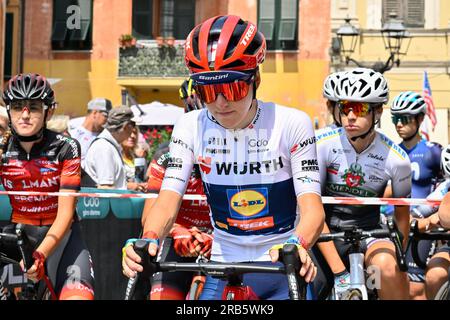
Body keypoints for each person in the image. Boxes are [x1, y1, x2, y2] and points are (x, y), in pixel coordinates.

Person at [122, 15, 325, 300]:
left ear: (256, 79)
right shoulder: (190, 125)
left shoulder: (291, 123)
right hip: (223, 262)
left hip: (281, 263)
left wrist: (297, 243)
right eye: (206, 90)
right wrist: (149, 239)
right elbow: (167, 202)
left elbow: (313, 211)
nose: (220, 102)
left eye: (232, 88)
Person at [313, 68, 411, 300]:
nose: (350, 116)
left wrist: (399, 258)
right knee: (306, 282)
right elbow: (312, 210)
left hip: (368, 234)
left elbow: (402, 216)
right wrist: (341, 273)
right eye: (344, 107)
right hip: (324, 233)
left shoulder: (397, 159)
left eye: (359, 108)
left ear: (378, 111)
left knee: (386, 269)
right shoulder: (320, 145)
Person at [0, 73, 94, 299]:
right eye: (17, 107)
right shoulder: (3, 151)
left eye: (33, 107)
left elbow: (65, 213)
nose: (24, 115)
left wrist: (41, 254)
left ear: (48, 111)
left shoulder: (66, 148)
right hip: (16, 238)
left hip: (62, 237)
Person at [389, 91, 443, 299]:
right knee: (392, 283)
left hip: (420, 228)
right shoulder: (390, 151)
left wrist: (429, 217)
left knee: (416, 289)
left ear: (420, 119)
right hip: (393, 225)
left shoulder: (434, 151)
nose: (399, 124)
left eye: (405, 119)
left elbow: (445, 188)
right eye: (395, 119)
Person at [82, 106, 137, 189]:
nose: (133, 129)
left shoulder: (108, 145)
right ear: (126, 126)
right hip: (108, 201)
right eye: (133, 124)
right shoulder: (104, 148)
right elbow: (106, 188)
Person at [69, 97, 112, 163]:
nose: (108, 120)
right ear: (94, 113)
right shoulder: (73, 135)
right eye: (106, 116)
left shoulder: (107, 136)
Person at [121, 125, 147, 192]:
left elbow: (141, 179)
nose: (132, 136)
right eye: (129, 132)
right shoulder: (115, 155)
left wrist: (143, 185)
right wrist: (130, 186)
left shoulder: (137, 158)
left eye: (135, 133)